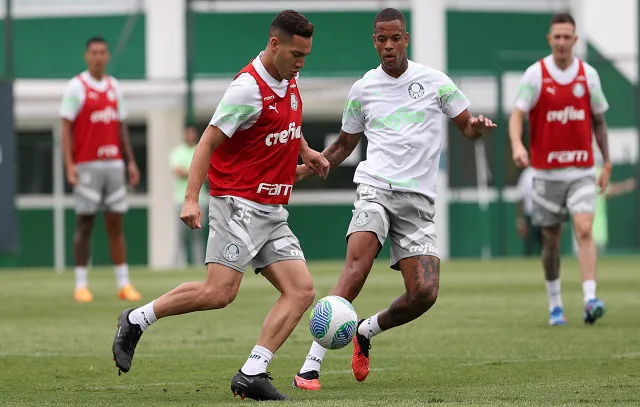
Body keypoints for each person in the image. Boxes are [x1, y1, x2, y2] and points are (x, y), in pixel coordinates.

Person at [111, 10, 330, 401]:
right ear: (274, 44)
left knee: (301, 291)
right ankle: (137, 319)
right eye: (296, 54)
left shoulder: (289, 80)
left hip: (272, 210)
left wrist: (308, 152)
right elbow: (207, 143)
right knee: (219, 293)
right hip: (238, 205)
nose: (301, 62)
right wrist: (191, 199)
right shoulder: (246, 88)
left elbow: (282, 127)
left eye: (306, 56)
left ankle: (252, 372)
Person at [292, 8, 496, 391]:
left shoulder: (435, 82)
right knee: (358, 264)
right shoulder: (363, 88)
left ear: (406, 38)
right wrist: (308, 169)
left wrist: (476, 128)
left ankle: (366, 330)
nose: (388, 46)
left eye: (395, 38)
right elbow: (344, 145)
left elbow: (465, 125)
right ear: (374, 41)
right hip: (375, 188)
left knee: (425, 293)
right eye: (381, 39)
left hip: (418, 200)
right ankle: (310, 366)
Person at [508, 12, 611, 326]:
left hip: (581, 170)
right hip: (546, 174)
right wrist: (517, 145)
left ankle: (590, 298)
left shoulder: (589, 76)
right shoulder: (535, 75)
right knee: (551, 241)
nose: (563, 42)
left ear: (575, 40)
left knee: (583, 229)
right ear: (550, 39)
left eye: (568, 37)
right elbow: (517, 115)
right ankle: (555, 305)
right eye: (558, 37)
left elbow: (600, 122)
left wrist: (606, 162)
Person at [60, 36, 142, 303]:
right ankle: (81, 284)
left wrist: (130, 161)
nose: (98, 57)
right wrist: (69, 165)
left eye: (102, 52)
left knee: (115, 222)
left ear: (107, 56)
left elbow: (120, 127)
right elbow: (66, 128)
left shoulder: (113, 87)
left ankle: (123, 283)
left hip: (114, 163)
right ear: (87, 56)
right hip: (86, 164)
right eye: (94, 52)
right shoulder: (76, 86)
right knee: (85, 222)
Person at [170, 126, 209, 268]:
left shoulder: (200, 150)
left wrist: (192, 174)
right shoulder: (178, 151)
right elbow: (177, 171)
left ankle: (199, 264)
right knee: (180, 235)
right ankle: (179, 264)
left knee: (198, 235)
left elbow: (208, 174)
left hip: (201, 200)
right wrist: (196, 174)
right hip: (181, 200)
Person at [515, 166, 543, 256]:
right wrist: (520, 219)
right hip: (530, 215)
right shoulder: (527, 174)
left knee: (547, 245)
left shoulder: (548, 171)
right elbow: (520, 198)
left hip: (546, 215)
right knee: (529, 246)